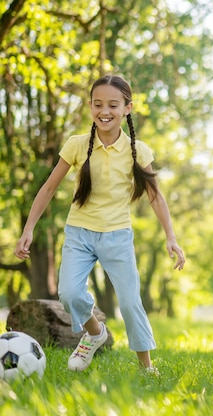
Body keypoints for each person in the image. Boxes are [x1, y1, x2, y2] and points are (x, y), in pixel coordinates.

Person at [14, 75, 185, 374]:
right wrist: (28, 228)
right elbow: (48, 188)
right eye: (98, 104)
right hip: (79, 233)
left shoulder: (137, 151)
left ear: (127, 108)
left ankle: (147, 366)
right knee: (69, 294)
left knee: (131, 303)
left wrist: (171, 236)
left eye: (113, 105)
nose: (104, 111)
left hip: (117, 236)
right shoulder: (78, 145)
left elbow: (155, 197)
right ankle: (95, 333)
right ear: (90, 107)